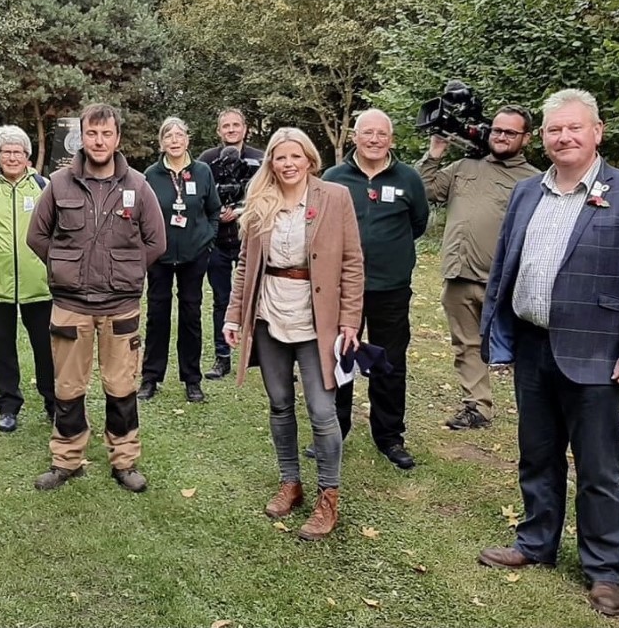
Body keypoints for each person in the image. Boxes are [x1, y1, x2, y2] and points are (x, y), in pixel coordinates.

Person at [477, 89, 619, 618]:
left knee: (598, 468)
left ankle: (604, 569)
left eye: (573, 128)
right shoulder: (526, 192)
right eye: (552, 130)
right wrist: (498, 332)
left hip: (597, 354)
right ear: (541, 137)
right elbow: (504, 269)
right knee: (537, 454)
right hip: (533, 345)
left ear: (597, 132)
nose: (562, 138)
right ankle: (536, 542)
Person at [222, 127, 364, 541]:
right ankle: (291, 482)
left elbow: (353, 262)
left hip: (317, 318)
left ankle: (328, 496)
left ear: (309, 159)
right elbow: (246, 266)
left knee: (322, 411)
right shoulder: (260, 200)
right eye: (280, 157)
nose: (287, 164)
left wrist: (350, 321)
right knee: (280, 404)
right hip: (270, 314)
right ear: (271, 161)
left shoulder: (334, 197)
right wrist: (235, 315)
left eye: (295, 156)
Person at [26, 103, 167, 492]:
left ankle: (124, 461)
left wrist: (127, 272)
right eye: (92, 133)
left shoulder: (138, 185)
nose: (99, 140)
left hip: (120, 307)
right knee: (68, 389)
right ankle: (66, 461)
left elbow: (156, 241)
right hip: (71, 307)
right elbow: (37, 236)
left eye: (106, 134)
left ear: (117, 138)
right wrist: (65, 269)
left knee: (121, 388)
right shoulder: (58, 184)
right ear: (81, 137)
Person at [417, 106, 541, 430]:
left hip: (502, 283)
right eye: (497, 130)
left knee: (521, 348)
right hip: (458, 275)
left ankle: (539, 410)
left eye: (510, 132)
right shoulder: (464, 167)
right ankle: (477, 407)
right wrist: (435, 153)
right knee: (466, 344)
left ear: (526, 138)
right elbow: (424, 189)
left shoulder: (533, 180)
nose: (501, 137)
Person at [321, 109, 429, 470]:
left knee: (389, 361)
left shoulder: (408, 179)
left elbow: (418, 223)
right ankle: (335, 429)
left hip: (390, 288)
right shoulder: (334, 178)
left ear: (391, 140)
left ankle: (389, 436)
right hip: (342, 288)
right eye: (367, 133)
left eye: (382, 134)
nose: (374, 140)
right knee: (341, 358)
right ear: (354, 137)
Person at [0, 125, 56, 433]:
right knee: (1, 349)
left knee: (46, 348)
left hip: (39, 287)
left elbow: (59, 237)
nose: (12, 157)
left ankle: (53, 400)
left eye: (18, 151)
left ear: (28, 156)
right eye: (6, 151)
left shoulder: (44, 186)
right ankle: (8, 405)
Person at [137, 117, 221, 403]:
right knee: (157, 315)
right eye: (168, 136)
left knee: (191, 316)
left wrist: (207, 240)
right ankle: (150, 377)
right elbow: (142, 215)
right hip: (159, 257)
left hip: (194, 256)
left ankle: (192, 379)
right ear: (161, 142)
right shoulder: (151, 174)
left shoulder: (202, 171)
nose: (174, 140)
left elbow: (214, 211)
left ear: (188, 139)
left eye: (179, 135)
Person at [197, 108, 263, 381]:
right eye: (226, 126)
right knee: (222, 301)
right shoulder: (206, 161)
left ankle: (264, 357)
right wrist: (217, 213)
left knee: (260, 299)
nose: (232, 130)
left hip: (253, 239)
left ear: (245, 128)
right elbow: (197, 197)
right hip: (219, 243)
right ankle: (222, 357)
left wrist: (240, 211)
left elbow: (271, 194)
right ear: (219, 131)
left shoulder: (261, 159)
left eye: (236, 125)